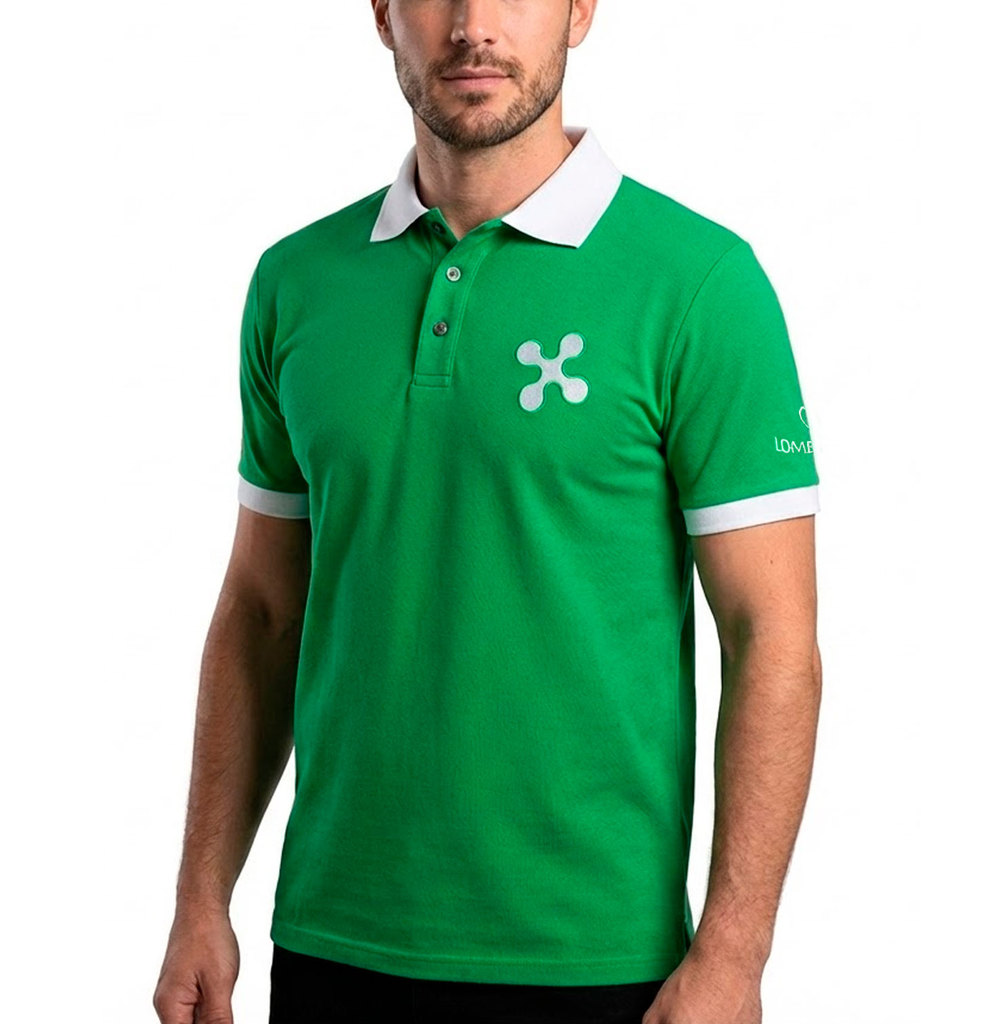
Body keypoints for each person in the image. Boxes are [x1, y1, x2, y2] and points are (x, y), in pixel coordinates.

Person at [153, 1, 823, 1022]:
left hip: (598, 963)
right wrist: (201, 897)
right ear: (383, 14)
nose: (472, 24)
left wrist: (734, 954)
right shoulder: (297, 283)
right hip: (333, 943)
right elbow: (261, 612)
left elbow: (770, 634)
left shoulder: (699, 284)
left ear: (580, 10)